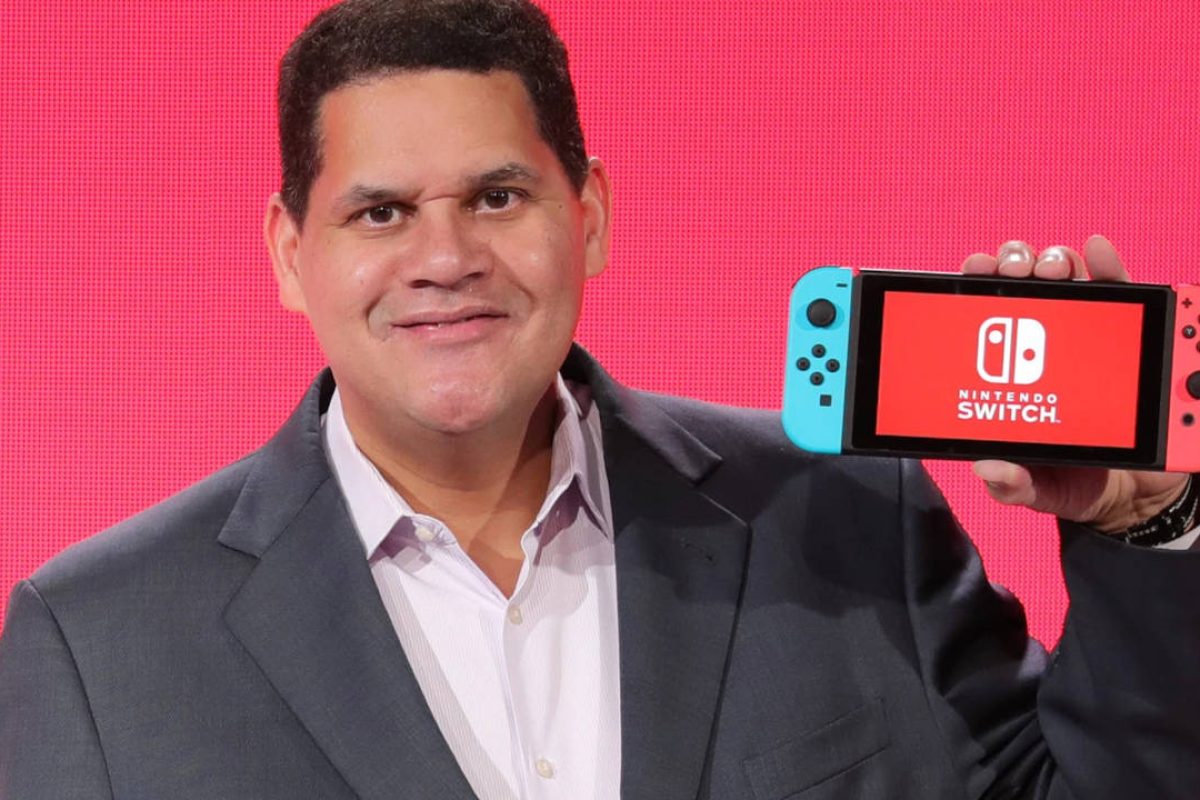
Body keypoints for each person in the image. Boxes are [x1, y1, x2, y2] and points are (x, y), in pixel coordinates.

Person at [0, 0, 1197, 797]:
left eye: (498, 197)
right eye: (381, 211)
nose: (445, 257)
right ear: (289, 250)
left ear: (591, 215)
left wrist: (1145, 527)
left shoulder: (842, 515)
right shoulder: (100, 642)